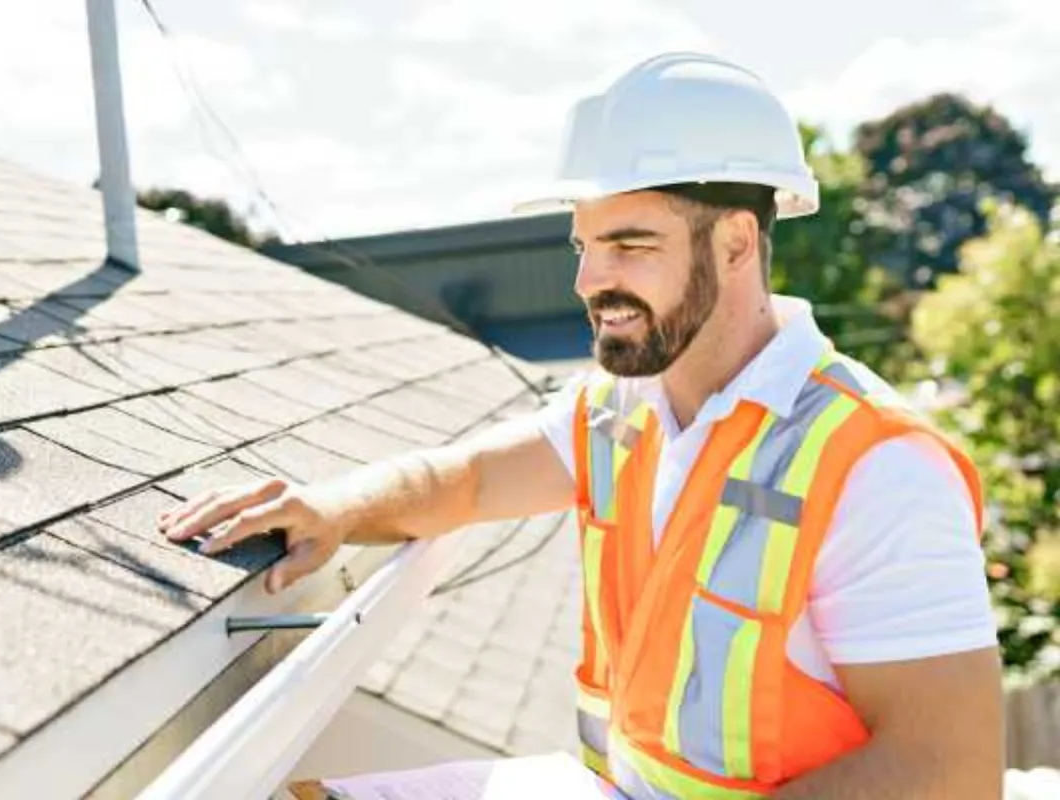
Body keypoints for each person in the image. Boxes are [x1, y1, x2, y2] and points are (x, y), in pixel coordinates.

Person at [157, 52, 1004, 799]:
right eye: (582, 245)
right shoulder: (622, 407)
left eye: (630, 245)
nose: (591, 280)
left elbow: (948, 772)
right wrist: (333, 506)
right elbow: (472, 480)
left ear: (738, 244)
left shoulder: (876, 465)